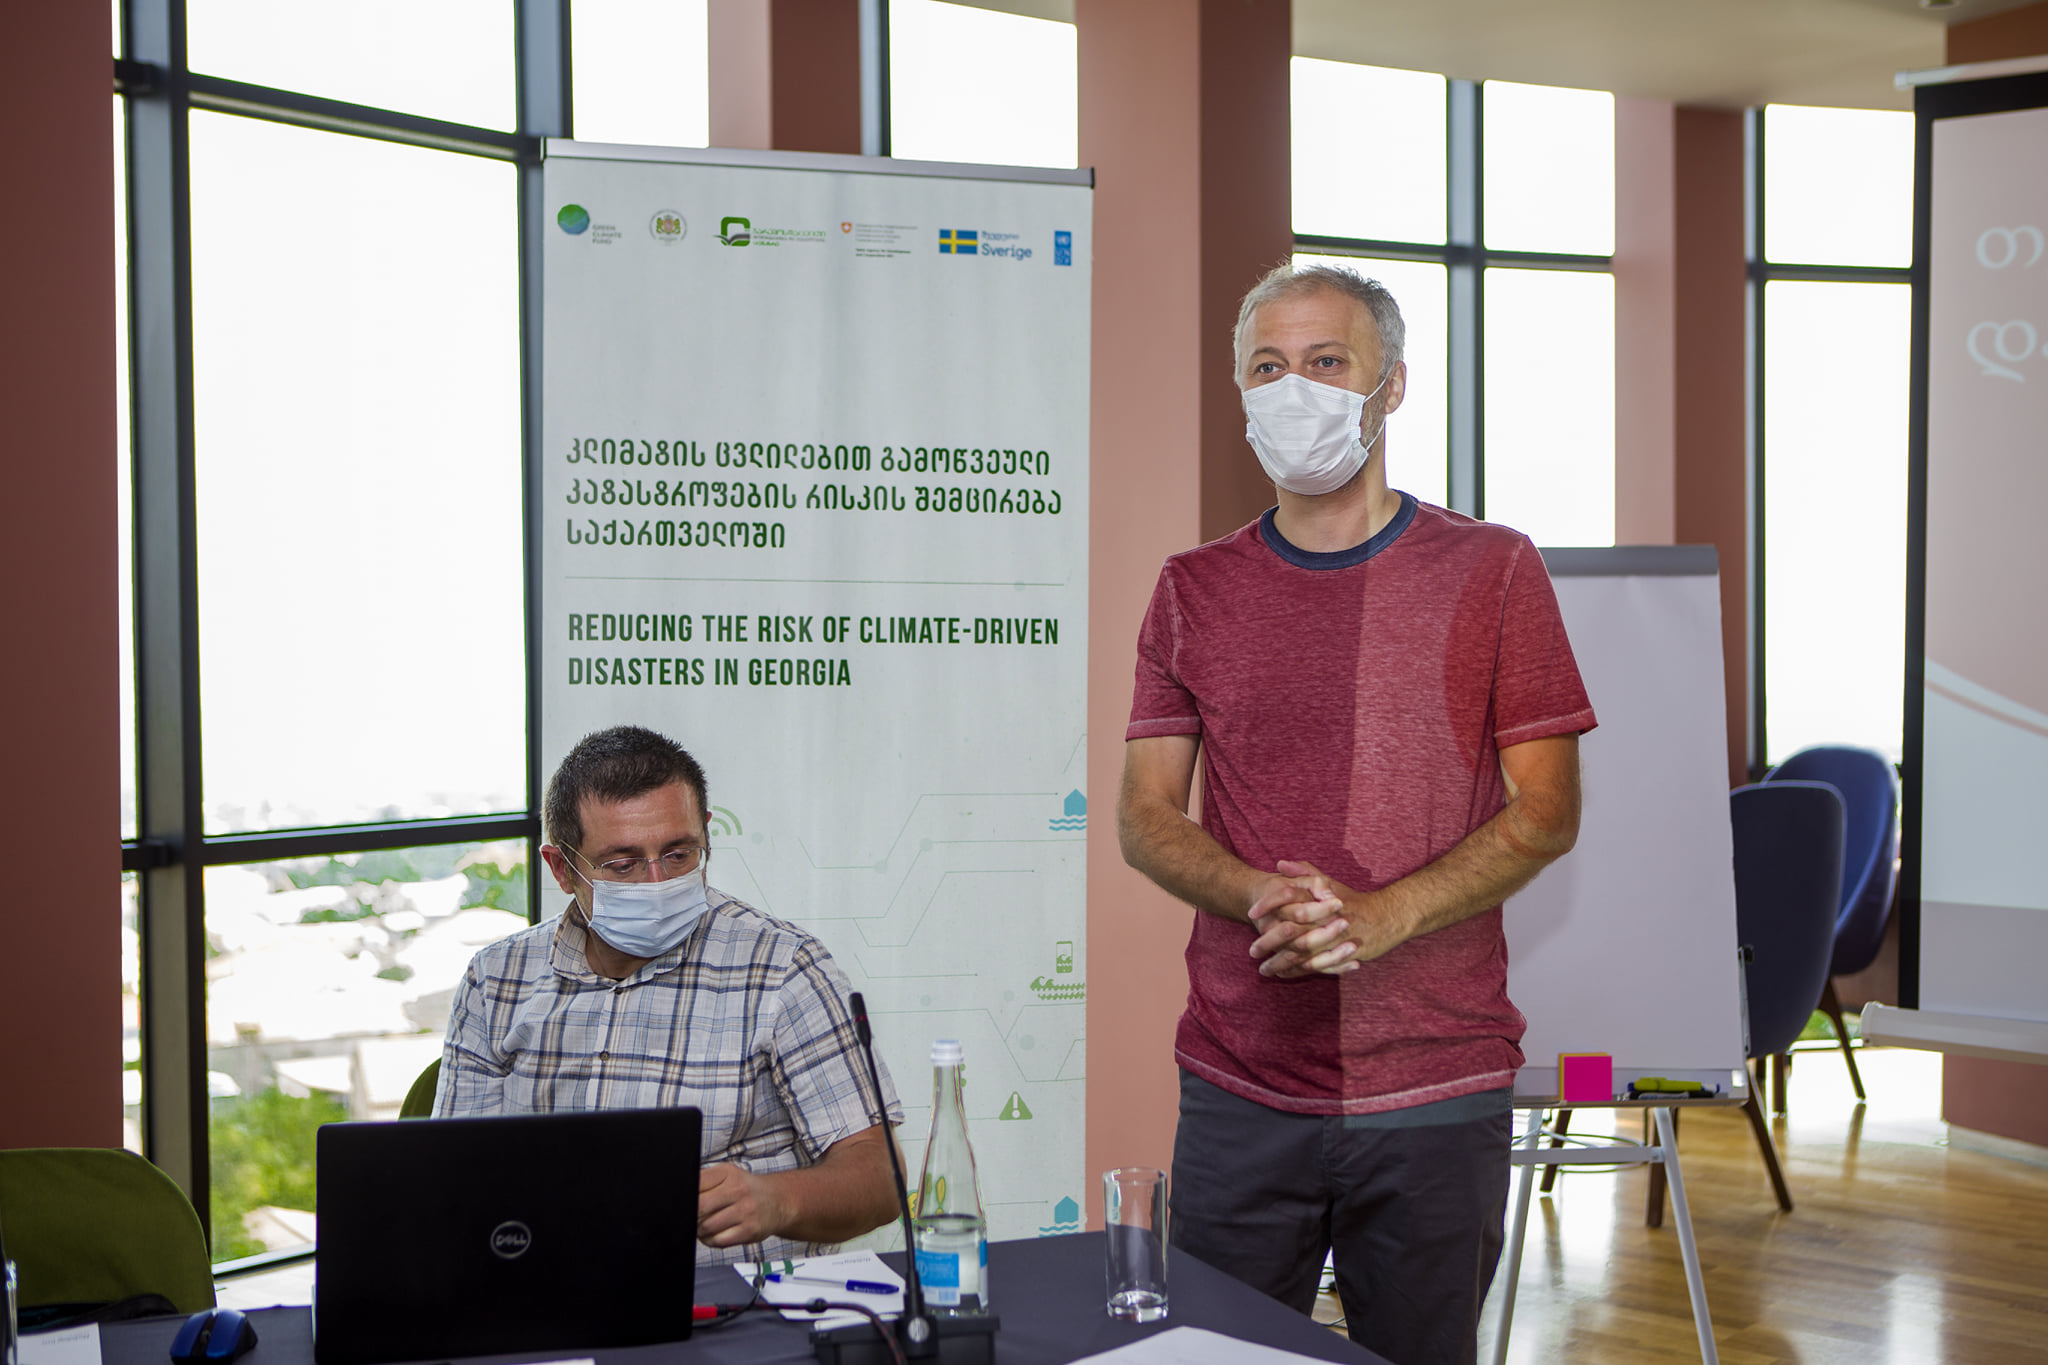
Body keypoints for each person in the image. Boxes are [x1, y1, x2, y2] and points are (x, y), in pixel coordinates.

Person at [1116, 263, 1595, 1365]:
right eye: (1267, 367)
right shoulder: (1192, 587)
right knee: (1219, 1359)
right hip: (1239, 1083)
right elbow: (1145, 815)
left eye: (1326, 362)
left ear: (1392, 386)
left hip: (1434, 1081)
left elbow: (1547, 810)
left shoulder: (1494, 570)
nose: (1294, 389)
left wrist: (1382, 915)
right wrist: (1258, 893)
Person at [436, 724, 902, 1265]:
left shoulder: (782, 968)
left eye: (679, 854)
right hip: (548, 1292)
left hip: (730, 1302)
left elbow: (881, 1178)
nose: (658, 883)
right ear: (562, 868)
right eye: (623, 864)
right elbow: (452, 1178)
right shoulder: (496, 979)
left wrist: (777, 1200)